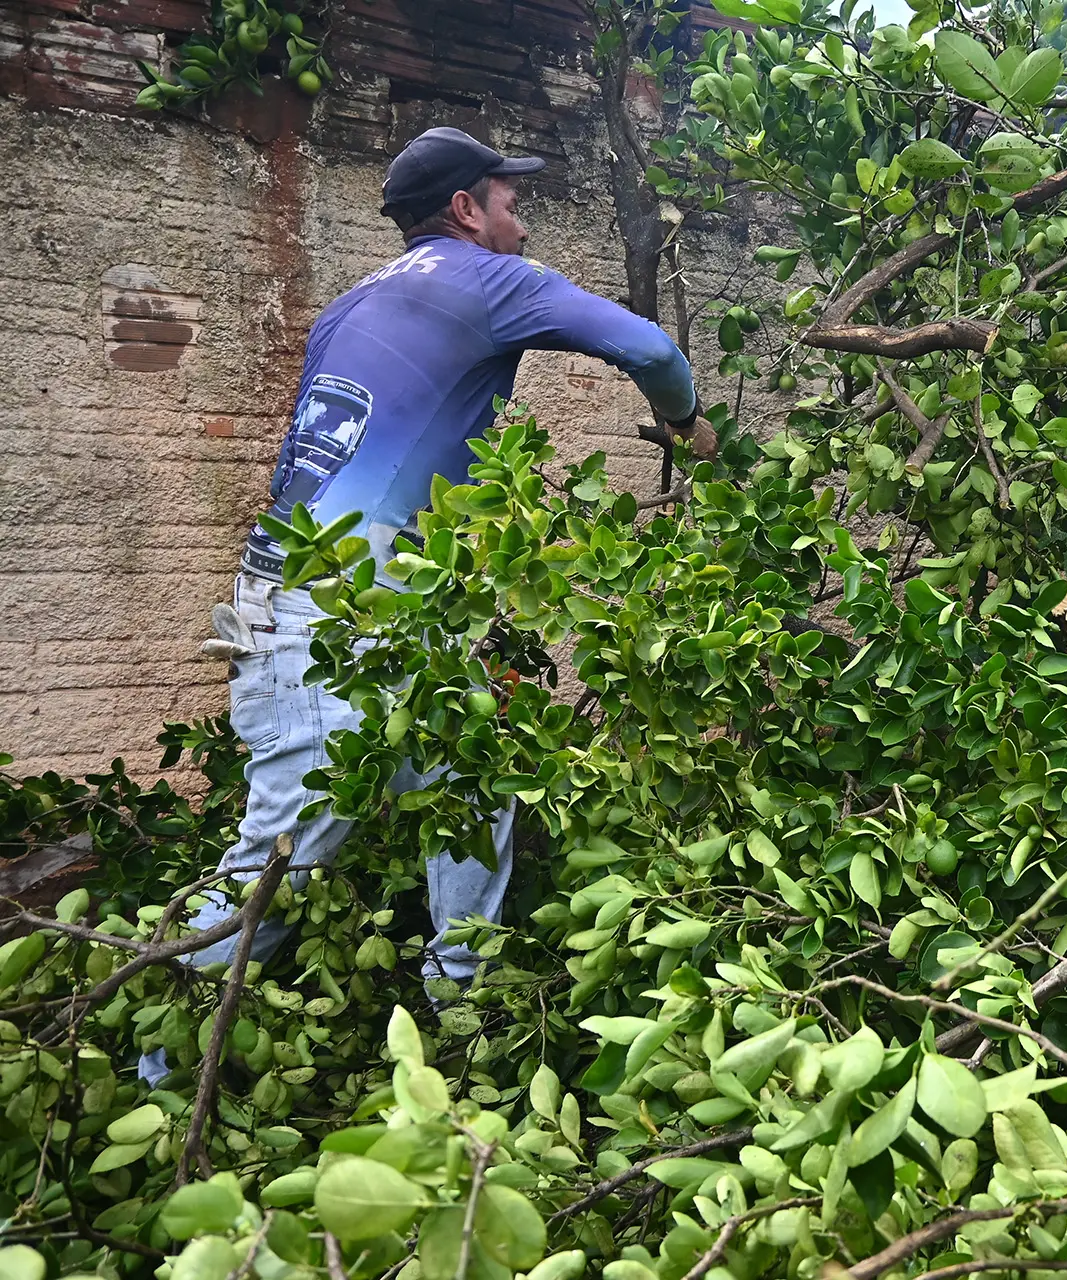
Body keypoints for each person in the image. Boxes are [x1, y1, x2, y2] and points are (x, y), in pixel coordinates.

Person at [139, 128, 702, 1085]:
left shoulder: (348, 305)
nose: (519, 221)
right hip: (335, 613)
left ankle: (467, 1029)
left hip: (310, 598)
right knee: (286, 855)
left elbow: (303, 467)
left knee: (471, 788)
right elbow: (649, 346)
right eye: (507, 201)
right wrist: (688, 424)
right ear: (463, 211)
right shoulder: (490, 281)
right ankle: (154, 1064)